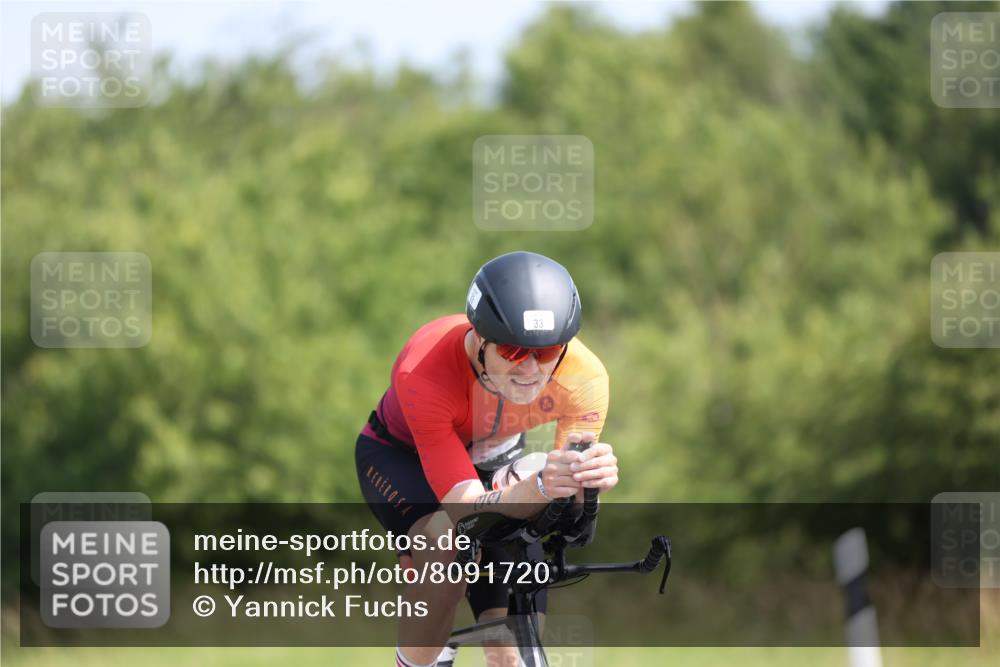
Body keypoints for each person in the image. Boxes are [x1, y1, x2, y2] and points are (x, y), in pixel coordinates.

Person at [355, 250, 618, 667]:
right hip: (401, 457)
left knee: (511, 648)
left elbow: (570, 526)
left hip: (497, 456)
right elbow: (467, 514)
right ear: (479, 339)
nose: (530, 369)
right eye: (513, 352)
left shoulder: (585, 378)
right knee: (445, 551)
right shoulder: (424, 370)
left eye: (547, 352)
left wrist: (587, 488)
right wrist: (542, 485)